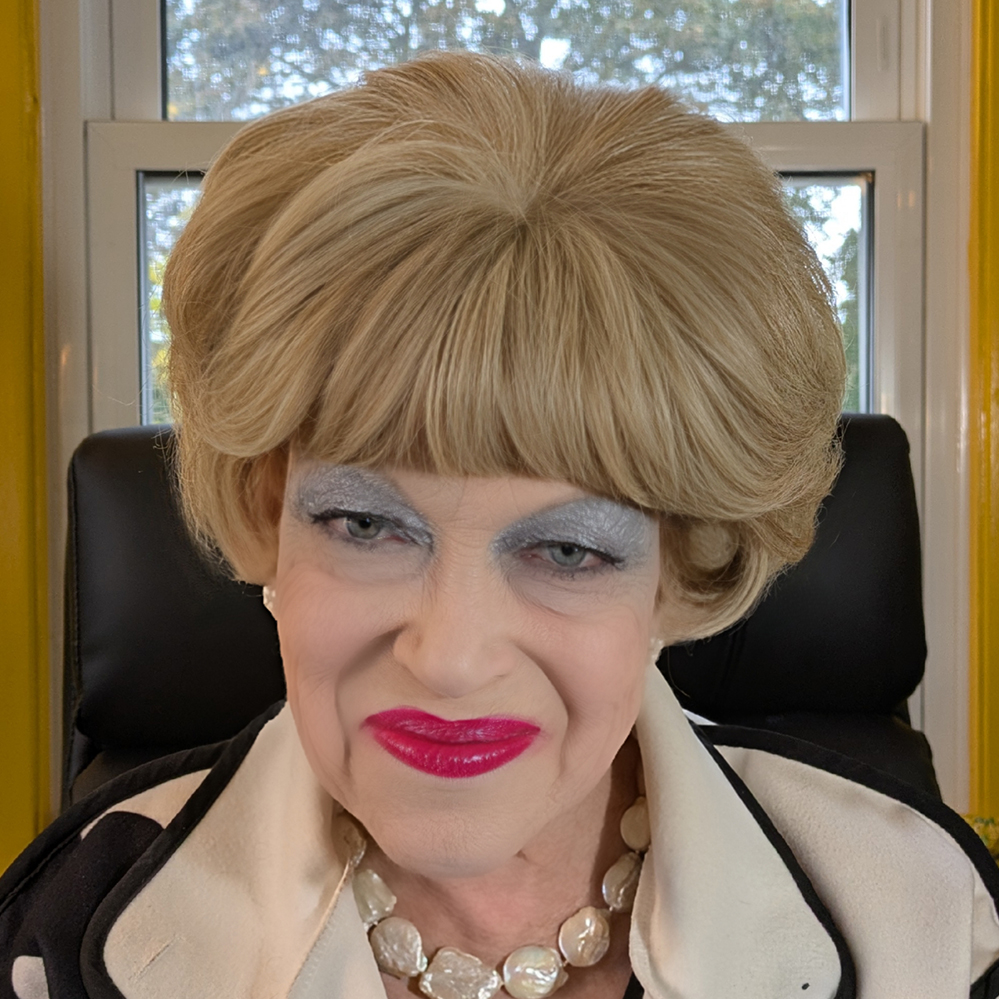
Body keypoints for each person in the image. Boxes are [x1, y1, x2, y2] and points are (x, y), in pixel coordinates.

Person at [3, 52, 998, 999]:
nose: (450, 659)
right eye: (363, 524)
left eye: (569, 550)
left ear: (679, 568)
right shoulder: (68, 925)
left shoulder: (924, 914)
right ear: (271, 515)